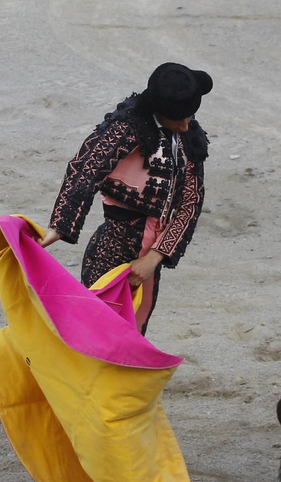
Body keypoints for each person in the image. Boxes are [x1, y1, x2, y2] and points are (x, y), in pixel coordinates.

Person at [40, 62, 211, 332]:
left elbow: (190, 203)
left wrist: (154, 258)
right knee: (97, 331)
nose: (185, 125)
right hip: (112, 250)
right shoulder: (126, 128)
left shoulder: (189, 136)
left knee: (135, 332)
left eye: (190, 117)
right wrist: (59, 227)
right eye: (179, 118)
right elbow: (85, 171)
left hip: (150, 257)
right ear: (160, 111)